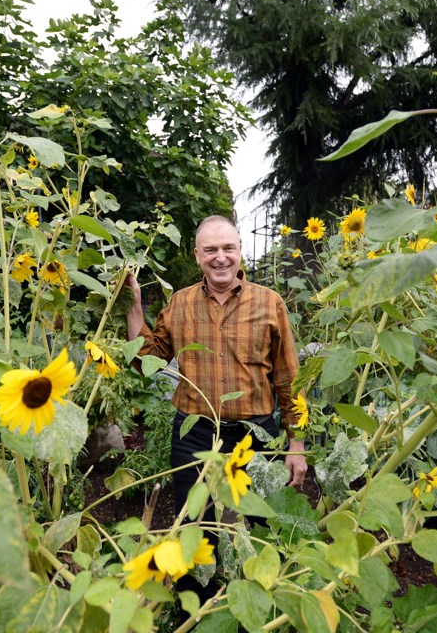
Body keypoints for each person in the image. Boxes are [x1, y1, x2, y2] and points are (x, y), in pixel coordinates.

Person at [125, 215, 307, 593]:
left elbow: (289, 379)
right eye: (210, 250)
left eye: (227, 248)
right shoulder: (180, 304)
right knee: (194, 528)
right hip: (196, 433)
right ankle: (198, 608)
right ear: (197, 256)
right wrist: (133, 305)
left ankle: (256, 604)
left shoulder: (269, 303)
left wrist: (296, 444)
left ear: (240, 251)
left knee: (261, 526)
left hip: (255, 435)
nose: (220, 257)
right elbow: (146, 360)